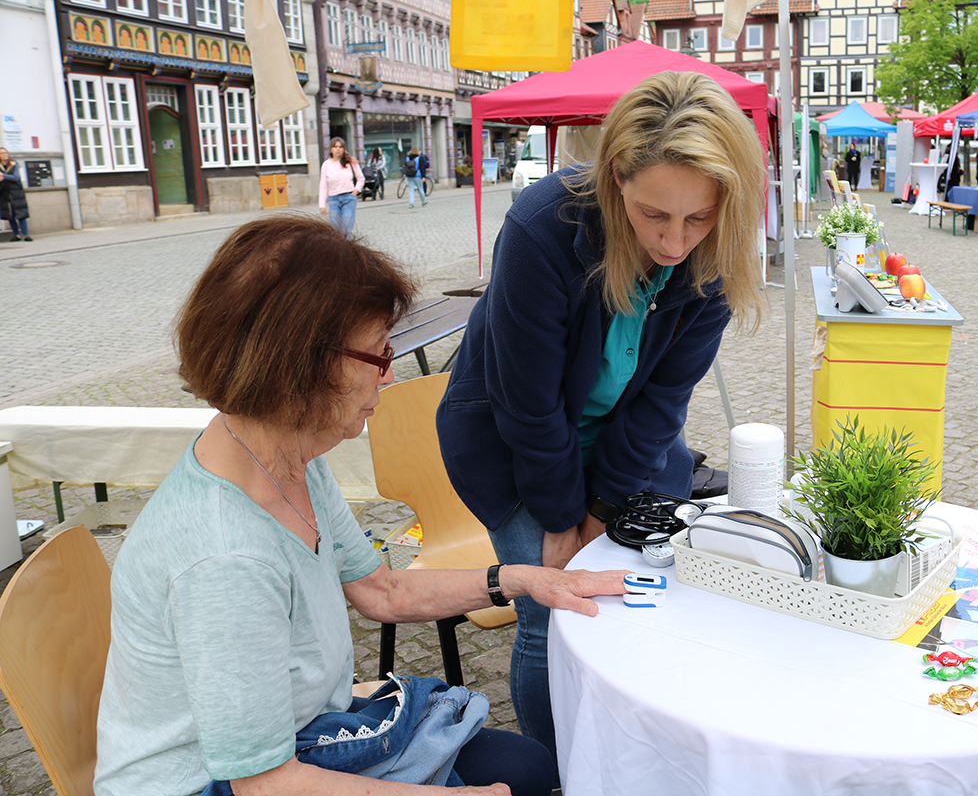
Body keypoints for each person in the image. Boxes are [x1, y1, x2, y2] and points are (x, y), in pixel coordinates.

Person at [92, 213, 628, 796]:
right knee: (520, 777)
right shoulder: (226, 558)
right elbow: (266, 784)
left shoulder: (286, 456)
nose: (390, 374)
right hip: (211, 781)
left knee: (525, 766)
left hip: (286, 740)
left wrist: (525, 579)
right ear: (301, 364)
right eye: (378, 355)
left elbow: (381, 591)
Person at [436, 71, 764, 759]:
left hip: (625, 442)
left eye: (697, 218)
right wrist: (561, 517)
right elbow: (526, 403)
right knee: (549, 614)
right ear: (617, 178)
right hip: (509, 437)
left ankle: (637, 755)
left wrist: (602, 509)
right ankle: (562, 767)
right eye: (654, 216)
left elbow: (661, 403)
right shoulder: (543, 225)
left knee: (645, 594)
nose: (676, 244)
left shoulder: (715, 249)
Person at [318, 137, 362, 237]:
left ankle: (348, 251)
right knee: (334, 230)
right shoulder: (326, 165)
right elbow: (323, 185)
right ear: (331, 149)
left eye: (340, 147)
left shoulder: (350, 162)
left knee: (346, 229)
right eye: (335, 147)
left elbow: (360, 178)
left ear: (344, 149)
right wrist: (322, 205)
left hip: (348, 198)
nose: (338, 149)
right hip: (334, 199)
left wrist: (355, 191)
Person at [0, 148, 31, 242]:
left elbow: (16, 178)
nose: (5, 154)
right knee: (10, 216)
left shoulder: (14, 164)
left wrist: (3, 176)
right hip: (5, 194)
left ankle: (26, 235)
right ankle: (16, 235)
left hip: (16, 194)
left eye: (5, 152)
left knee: (21, 215)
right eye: (2, 153)